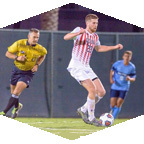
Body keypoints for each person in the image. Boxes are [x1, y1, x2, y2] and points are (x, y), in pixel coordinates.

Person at [64, 14, 123, 126]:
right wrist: (77, 33)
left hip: (86, 67)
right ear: (87, 23)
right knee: (92, 90)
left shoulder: (95, 36)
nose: (95, 25)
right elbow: (66, 37)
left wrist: (114, 47)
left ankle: (83, 109)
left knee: (101, 92)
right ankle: (91, 118)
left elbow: (99, 48)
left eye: (96, 23)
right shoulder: (79, 30)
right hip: (76, 66)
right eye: (93, 23)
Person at [0, 28, 47, 118]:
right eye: (34, 37)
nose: (36, 39)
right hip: (16, 71)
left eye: (37, 37)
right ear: (28, 36)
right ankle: (17, 106)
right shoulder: (19, 43)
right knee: (13, 93)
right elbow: (7, 53)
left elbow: (43, 55)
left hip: (27, 73)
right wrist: (17, 57)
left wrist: (37, 64)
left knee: (16, 93)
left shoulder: (40, 48)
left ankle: (3, 112)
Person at [109, 50, 136, 119]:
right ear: (123, 57)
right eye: (126, 56)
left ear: (130, 58)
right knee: (112, 104)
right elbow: (112, 70)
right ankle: (111, 112)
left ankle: (112, 119)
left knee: (118, 104)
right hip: (115, 86)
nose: (127, 58)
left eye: (128, 57)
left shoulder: (132, 67)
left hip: (124, 87)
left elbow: (133, 78)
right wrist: (111, 79)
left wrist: (129, 79)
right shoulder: (117, 64)